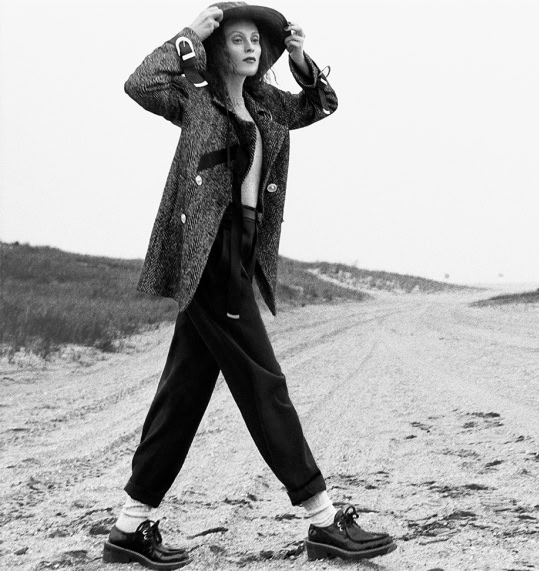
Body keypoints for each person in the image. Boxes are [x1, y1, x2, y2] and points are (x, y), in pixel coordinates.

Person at [102, 3, 396, 568]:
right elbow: (138, 82)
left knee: (182, 393)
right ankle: (323, 517)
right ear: (217, 50)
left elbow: (322, 103)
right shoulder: (193, 94)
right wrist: (189, 34)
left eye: (256, 41)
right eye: (237, 39)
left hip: (242, 246)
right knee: (264, 383)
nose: (250, 47)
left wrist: (302, 57)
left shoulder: (268, 103)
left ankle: (129, 527)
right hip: (208, 254)